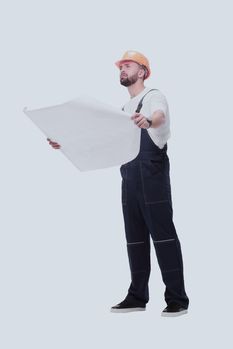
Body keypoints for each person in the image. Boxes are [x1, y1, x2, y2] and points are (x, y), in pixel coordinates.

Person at [47, 50, 190, 317]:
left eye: (128, 65)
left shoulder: (153, 96)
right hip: (130, 182)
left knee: (164, 237)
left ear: (143, 71)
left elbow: (159, 116)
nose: (122, 69)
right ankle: (137, 296)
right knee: (134, 239)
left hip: (153, 179)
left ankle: (177, 299)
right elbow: (102, 140)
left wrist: (148, 121)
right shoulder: (123, 110)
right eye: (120, 66)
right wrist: (66, 143)